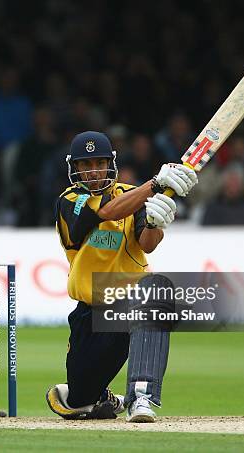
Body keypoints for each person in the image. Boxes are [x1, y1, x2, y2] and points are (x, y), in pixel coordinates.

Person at [46, 131, 197, 423]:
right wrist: (154, 186)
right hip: (90, 314)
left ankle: (141, 397)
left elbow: (148, 243)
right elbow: (104, 211)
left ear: (109, 165)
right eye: (85, 165)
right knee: (80, 401)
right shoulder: (70, 201)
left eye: (99, 164)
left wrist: (156, 221)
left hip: (129, 300)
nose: (92, 171)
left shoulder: (133, 194)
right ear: (74, 168)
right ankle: (100, 397)